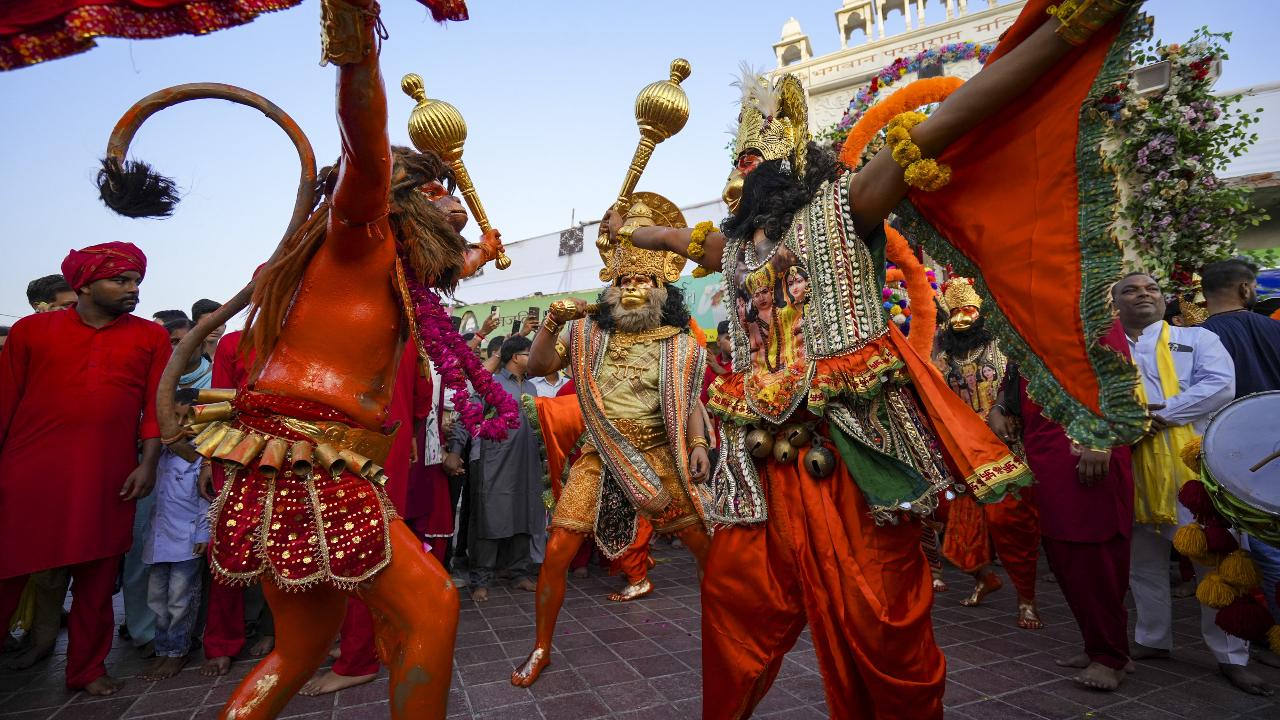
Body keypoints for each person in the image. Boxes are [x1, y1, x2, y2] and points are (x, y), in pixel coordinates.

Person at [609, 2, 1144, 713]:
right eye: (740, 162)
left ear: (797, 160)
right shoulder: (733, 248)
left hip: (851, 463)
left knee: (882, 628)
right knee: (733, 616)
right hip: (760, 471)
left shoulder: (847, 202)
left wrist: (1066, 29)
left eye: (758, 158)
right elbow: (680, 242)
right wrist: (632, 230)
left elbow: (947, 123)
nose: (746, 171)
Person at [104, 1, 502, 715]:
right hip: (305, 454)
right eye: (441, 192)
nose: (459, 207)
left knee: (298, 652)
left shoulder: (394, 269)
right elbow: (365, 140)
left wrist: (481, 254)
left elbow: (449, 264)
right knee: (434, 608)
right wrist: (357, 46)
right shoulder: (361, 227)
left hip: (305, 456)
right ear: (399, 193)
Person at [512, 197, 714, 687]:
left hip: (662, 458)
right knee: (559, 549)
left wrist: (699, 443)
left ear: (662, 290)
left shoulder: (682, 345)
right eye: (623, 281)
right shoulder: (586, 335)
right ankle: (542, 647)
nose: (632, 288)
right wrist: (551, 322)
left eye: (642, 281)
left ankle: (728, 638)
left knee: (709, 552)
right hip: (599, 456)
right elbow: (537, 368)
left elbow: (689, 401)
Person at [0, 241, 170, 696]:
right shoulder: (31, 332)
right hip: (29, 472)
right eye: (121, 280)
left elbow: (155, 407)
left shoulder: (149, 336)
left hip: (110, 473)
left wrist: (147, 463)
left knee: (97, 579)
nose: (133, 289)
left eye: (136, 280)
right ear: (85, 284)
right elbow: (5, 401)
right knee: (8, 570)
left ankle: (87, 670)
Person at [1114, 272, 1269, 695]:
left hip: (1194, 471)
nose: (1144, 294)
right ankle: (1152, 639)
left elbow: (1219, 387)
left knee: (1214, 561)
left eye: (1152, 289)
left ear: (1166, 300)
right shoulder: (1106, 353)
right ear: (1116, 305)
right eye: (1131, 289)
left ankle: (1230, 656)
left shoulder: (1200, 340)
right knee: (1141, 564)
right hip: (1130, 469)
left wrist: (1157, 416)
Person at [991, 323, 1136, 691]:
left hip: (1085, 446)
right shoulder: (1027, 318)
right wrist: (1000, 406)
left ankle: (1110, 657)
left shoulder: (1089, 307)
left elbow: (1118, 381)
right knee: (1064, 552)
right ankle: (1098, 645)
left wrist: (1099, 439)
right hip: (1045, 450)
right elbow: (1020, 377)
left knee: (1093, 549)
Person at [934, 277, 1042, 628]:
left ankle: (1027, 599)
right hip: (962, 449)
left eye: (968, 311)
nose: (961, 319)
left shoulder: (1004, 346)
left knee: (1009, 521)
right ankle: (983, 578)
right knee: (957, 519)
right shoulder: (943, 355)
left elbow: (1018, 389)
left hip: (1005, 447)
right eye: (954, 313)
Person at [1200, 258, 1280, 661]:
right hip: (1276, 448)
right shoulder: (1273, 329)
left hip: (1224, 457)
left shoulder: (1196, 339)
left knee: (1244, 548)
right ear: (1247, 290)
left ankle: (1256, 632)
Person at [198, 327, 276, 677]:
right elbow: (218, 405)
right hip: (241, 459)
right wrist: (206, 461)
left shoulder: (315, 337)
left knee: (292, 548)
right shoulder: (234, 342)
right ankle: (221, 641)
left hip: (301, 456)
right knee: (229, 549)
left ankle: (278, 633)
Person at [451, 336, 542, 602]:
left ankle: (519, 573)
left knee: (524, 514)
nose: (533, 359)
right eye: (529, 354)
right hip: (494, 462)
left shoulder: (532, 388)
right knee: (489, 518)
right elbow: (467, 416)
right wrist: (456, 452)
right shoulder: (489, 383)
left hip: (526, 462)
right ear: (515, 357)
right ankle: (481, 578)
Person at [139, 394, 209, 680]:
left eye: (187, 418)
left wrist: (204, 534)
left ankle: (178, 651)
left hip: (187, 542)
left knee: (181, 600)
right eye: (175, 418)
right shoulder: (159, 456)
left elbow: (206, 500)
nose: (180, 425)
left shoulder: (201, 460)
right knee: (157, 599)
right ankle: (164, 647)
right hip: (158, 542)